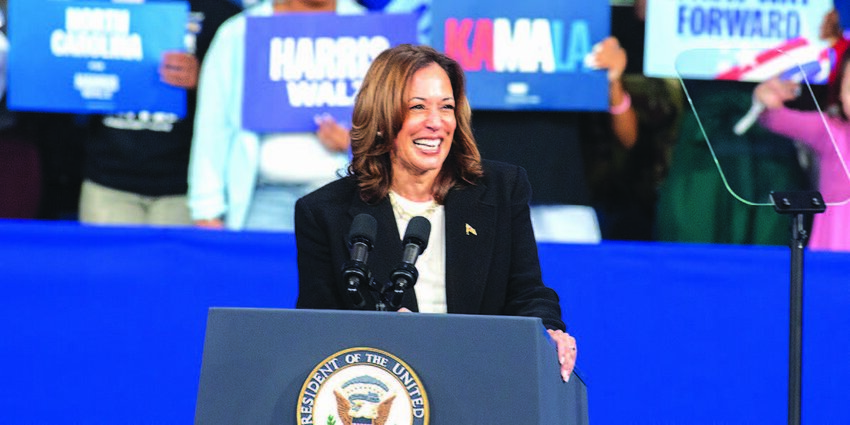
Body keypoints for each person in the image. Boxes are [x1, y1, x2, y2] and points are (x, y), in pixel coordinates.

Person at [294, 44, 577, 382]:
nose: (436, 123)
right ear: (382, 120)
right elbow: (317, 330)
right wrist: (376, 337)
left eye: (446, 107)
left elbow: (528, 292)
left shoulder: (502, 189)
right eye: (417, 107)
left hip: (481, 378)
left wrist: (549, 330)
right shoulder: (324, 212)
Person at [188, 0, 351, 232]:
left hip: (346, 196)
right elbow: (213, 124)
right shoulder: (238, 33)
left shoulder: (373, 30)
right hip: (263, 197)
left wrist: (356, 145)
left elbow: (399, 121)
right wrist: (206, 209)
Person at [79, 0, 241, 225]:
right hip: (108, 180)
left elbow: (248, 96)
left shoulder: (221, 14)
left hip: (186, 186)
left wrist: (204, 77)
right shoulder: (94, 7)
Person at [752, 53, 850, 252]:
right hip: (835, 243)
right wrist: (766, 99)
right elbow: (776, 118)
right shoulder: (830, 129)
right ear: (840, 92)